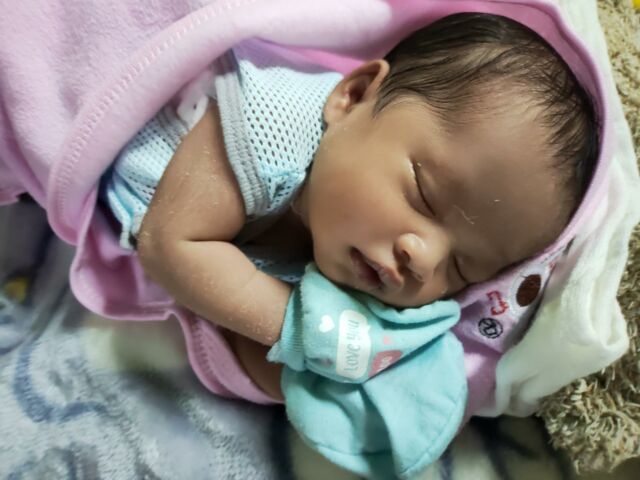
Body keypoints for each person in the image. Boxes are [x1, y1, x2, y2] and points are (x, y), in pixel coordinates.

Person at [100, 11, 597, 474]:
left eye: (462, 267)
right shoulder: (269, 121)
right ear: (353, 97)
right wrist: (299, 329)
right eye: (423, 196)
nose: (423, 258)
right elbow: (170, 246)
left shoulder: (354, 270)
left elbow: (243, 348)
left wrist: (329, 368)